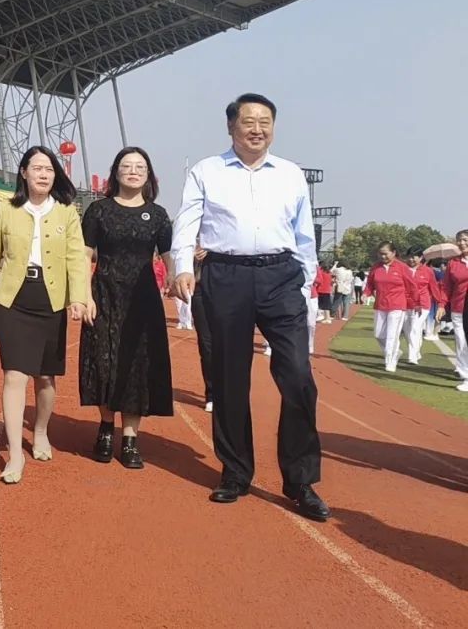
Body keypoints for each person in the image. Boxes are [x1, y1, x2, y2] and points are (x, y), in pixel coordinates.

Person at [171, 93, 328, 521]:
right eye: (248, 121)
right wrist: (182, 266)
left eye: (265, 121)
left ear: (273, 127)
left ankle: (300, 481)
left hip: (281, 277)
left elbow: (304, 233)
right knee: (228, 378)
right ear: (231, 127)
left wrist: (305, 281)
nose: (257, 129)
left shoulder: (291, 174)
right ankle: (236, 472)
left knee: (298, 377)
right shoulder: (207, 171)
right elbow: (187, 221)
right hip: (226, 275)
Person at [0, 146, 87, 484]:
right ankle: (16, 454)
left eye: (49, 169)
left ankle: (41, 431)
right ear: (24, 172)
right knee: (14, 375)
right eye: (37, 168)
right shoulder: (7, 209)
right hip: (13, 301)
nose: (44, 174)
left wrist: (78, 297)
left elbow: (76, 258)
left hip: (50, 300)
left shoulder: (66, 213)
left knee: (45, 378)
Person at [79, 147, 173, 469]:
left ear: (148, 175)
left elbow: (168, 256)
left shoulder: (158, 215)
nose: (133, 171)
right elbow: (84, 254)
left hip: (143, 300)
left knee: (137, 366)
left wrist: (175, 277)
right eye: (126, 166)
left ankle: (131, 439)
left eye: (139, 167)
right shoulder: (98, 211)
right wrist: (85, 295)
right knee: (104, 360)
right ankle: (106, 429)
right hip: (104, 294)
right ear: (115, 172)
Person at [362, 242, 416, 373]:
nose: (383, 256)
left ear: (393, 253)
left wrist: (414, 304)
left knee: (392, 335)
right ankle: (396, 352)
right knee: (379, 334)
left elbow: (412, 286)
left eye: (385, 254)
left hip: (397, 305)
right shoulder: (376, 267)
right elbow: (370, 284)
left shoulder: (402, 267)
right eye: (380, 254)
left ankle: (390, 361)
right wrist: (365, 293)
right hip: (380, 304)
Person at [436, 231, 468, 390]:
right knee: (462, 341)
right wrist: (441, 305)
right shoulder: (453, 263)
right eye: (459, 240)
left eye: (465, 240)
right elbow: (446, 287)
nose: (461, 243)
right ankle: (466, 376)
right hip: (458, 309)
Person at [403, 248, 442, 366]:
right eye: (409, 256)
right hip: (405, 304)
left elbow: (434, 288)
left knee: (414, 328)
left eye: (414, 257)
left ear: (420, 258)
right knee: (408, 330)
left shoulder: (428, 271)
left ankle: (412, 356)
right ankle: (416, 350)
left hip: (422, 304)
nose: (411, 259)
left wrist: (440, 304)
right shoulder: (403, 269)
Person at [190, 245, 214, 412]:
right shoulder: (191, 235)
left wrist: (214, 250)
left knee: (228, 344)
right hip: (200, 290)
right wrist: (190, 254)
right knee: (206, 346)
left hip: (227, 289)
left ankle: (229, 391)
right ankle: (212, 394)